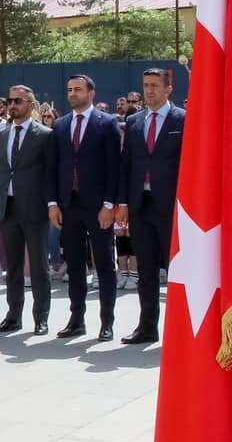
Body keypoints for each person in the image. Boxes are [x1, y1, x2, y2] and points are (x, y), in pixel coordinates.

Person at [47, 73, 122, 340]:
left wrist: (109, 204)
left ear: (91, 93)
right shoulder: (60, 125)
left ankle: (106, 322)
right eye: (69, 89)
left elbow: (115, 168)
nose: (72, 93)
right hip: (69, 206)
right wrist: (53, 203)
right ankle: (76, 319)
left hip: (98, 206)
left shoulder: (107, 123)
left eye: (78, 89)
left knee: (103, 264)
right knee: (75, 265)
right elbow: (53, 167)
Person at [118, 67, 185, 345]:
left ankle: (180, 330)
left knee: (177, 270)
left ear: (168, 89)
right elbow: (125, 165)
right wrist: (122, 203)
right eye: (146, 85)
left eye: (155, 85)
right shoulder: (133, 122)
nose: (149, 90)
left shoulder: (183, 120)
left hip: (171, 206)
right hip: (140, 204)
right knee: (145, 269)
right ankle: (147, 327)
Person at [0, 86, 54, 335]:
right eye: (10, 100)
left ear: (31, 103)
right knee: (13, 266)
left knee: (38, 266)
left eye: (18, 100)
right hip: (7, 208)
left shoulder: (45, 135)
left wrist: (51, 204)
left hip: (34, 207)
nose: (13, 104)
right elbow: (0, 171)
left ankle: (41, 317)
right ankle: (13, 315)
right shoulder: (1, 136)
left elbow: (50, 173)